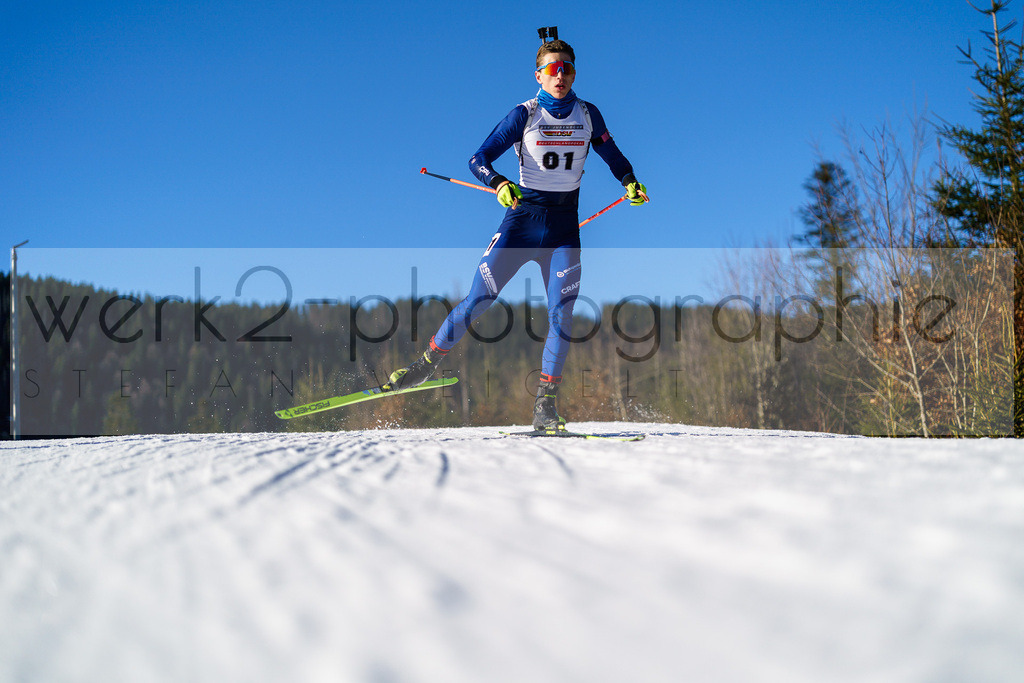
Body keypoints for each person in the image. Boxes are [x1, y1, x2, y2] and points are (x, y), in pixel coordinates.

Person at [383, 32, 647, 432]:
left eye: (568, 69)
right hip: (522, 224)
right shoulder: (524, 115)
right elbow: (478, 158)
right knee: (479, 299)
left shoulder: (589, 115)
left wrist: (629, 180)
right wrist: (499, 182)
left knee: (563, 315)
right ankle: (425, 364)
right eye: (553, 69)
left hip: (562, 230)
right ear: (538, 75)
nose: (561, 75)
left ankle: (545, 406)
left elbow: (611, 153)